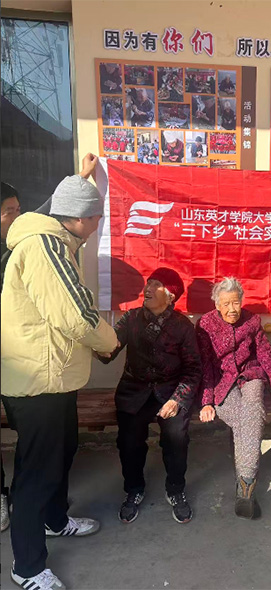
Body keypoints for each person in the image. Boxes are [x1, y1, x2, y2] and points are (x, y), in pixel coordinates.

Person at [1, 154, 118, 590]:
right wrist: (111, 342)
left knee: (62, 453)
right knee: (36, 471)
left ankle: (54, 520)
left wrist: (80, 176)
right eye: (97, 217)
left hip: (55, 376)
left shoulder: (56, 239)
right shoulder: (46, 246)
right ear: (81, 219)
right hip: (37, 382)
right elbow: (76, 314)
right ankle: (28, 566)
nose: (99, 225)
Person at [98, 268, 201, 525]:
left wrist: (177, 399)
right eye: (149, 283)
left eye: (156, 285)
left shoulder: (182, 326)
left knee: (176, 438)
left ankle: (175, 489)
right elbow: (108, 350)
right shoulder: (131, 318)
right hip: (134, 391)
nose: (148, 289)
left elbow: (193, 369)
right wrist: (95, 338)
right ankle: (134, 489)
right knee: (129, 441)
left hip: (170, 391)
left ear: (171, 295)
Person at [196, 277, 271, 519]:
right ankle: (246, 485)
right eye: (226, 304)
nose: (232, 309)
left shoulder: (252, 321)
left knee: (252, 409)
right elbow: (205, 366)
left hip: (251, 377)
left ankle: (245, 485)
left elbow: (267, 359)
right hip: (222, 382)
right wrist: (206, 401)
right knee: (249, 421)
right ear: (217, 305)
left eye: (236, 302)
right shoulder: (205, 324)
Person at [1, 182, 21, 533]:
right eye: (9, 212)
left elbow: (47, 213)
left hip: (15, 355)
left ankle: (25, 495)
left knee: (26, 426)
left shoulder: (17, 247)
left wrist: (80, 179)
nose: (17, 217)